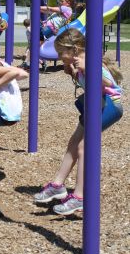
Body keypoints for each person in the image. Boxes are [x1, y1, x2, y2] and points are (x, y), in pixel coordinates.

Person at [34, 28, 123, 215]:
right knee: (74, 143)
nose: (59, 57)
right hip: (94, 106)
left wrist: (85, 67)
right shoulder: (79, 64)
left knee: (83, 147)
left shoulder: (91, 62)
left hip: (109, 106)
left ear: (72, 50)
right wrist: (74, 72)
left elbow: (108, 83)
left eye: (61, 53)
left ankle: (79, 197)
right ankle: (58, 185)